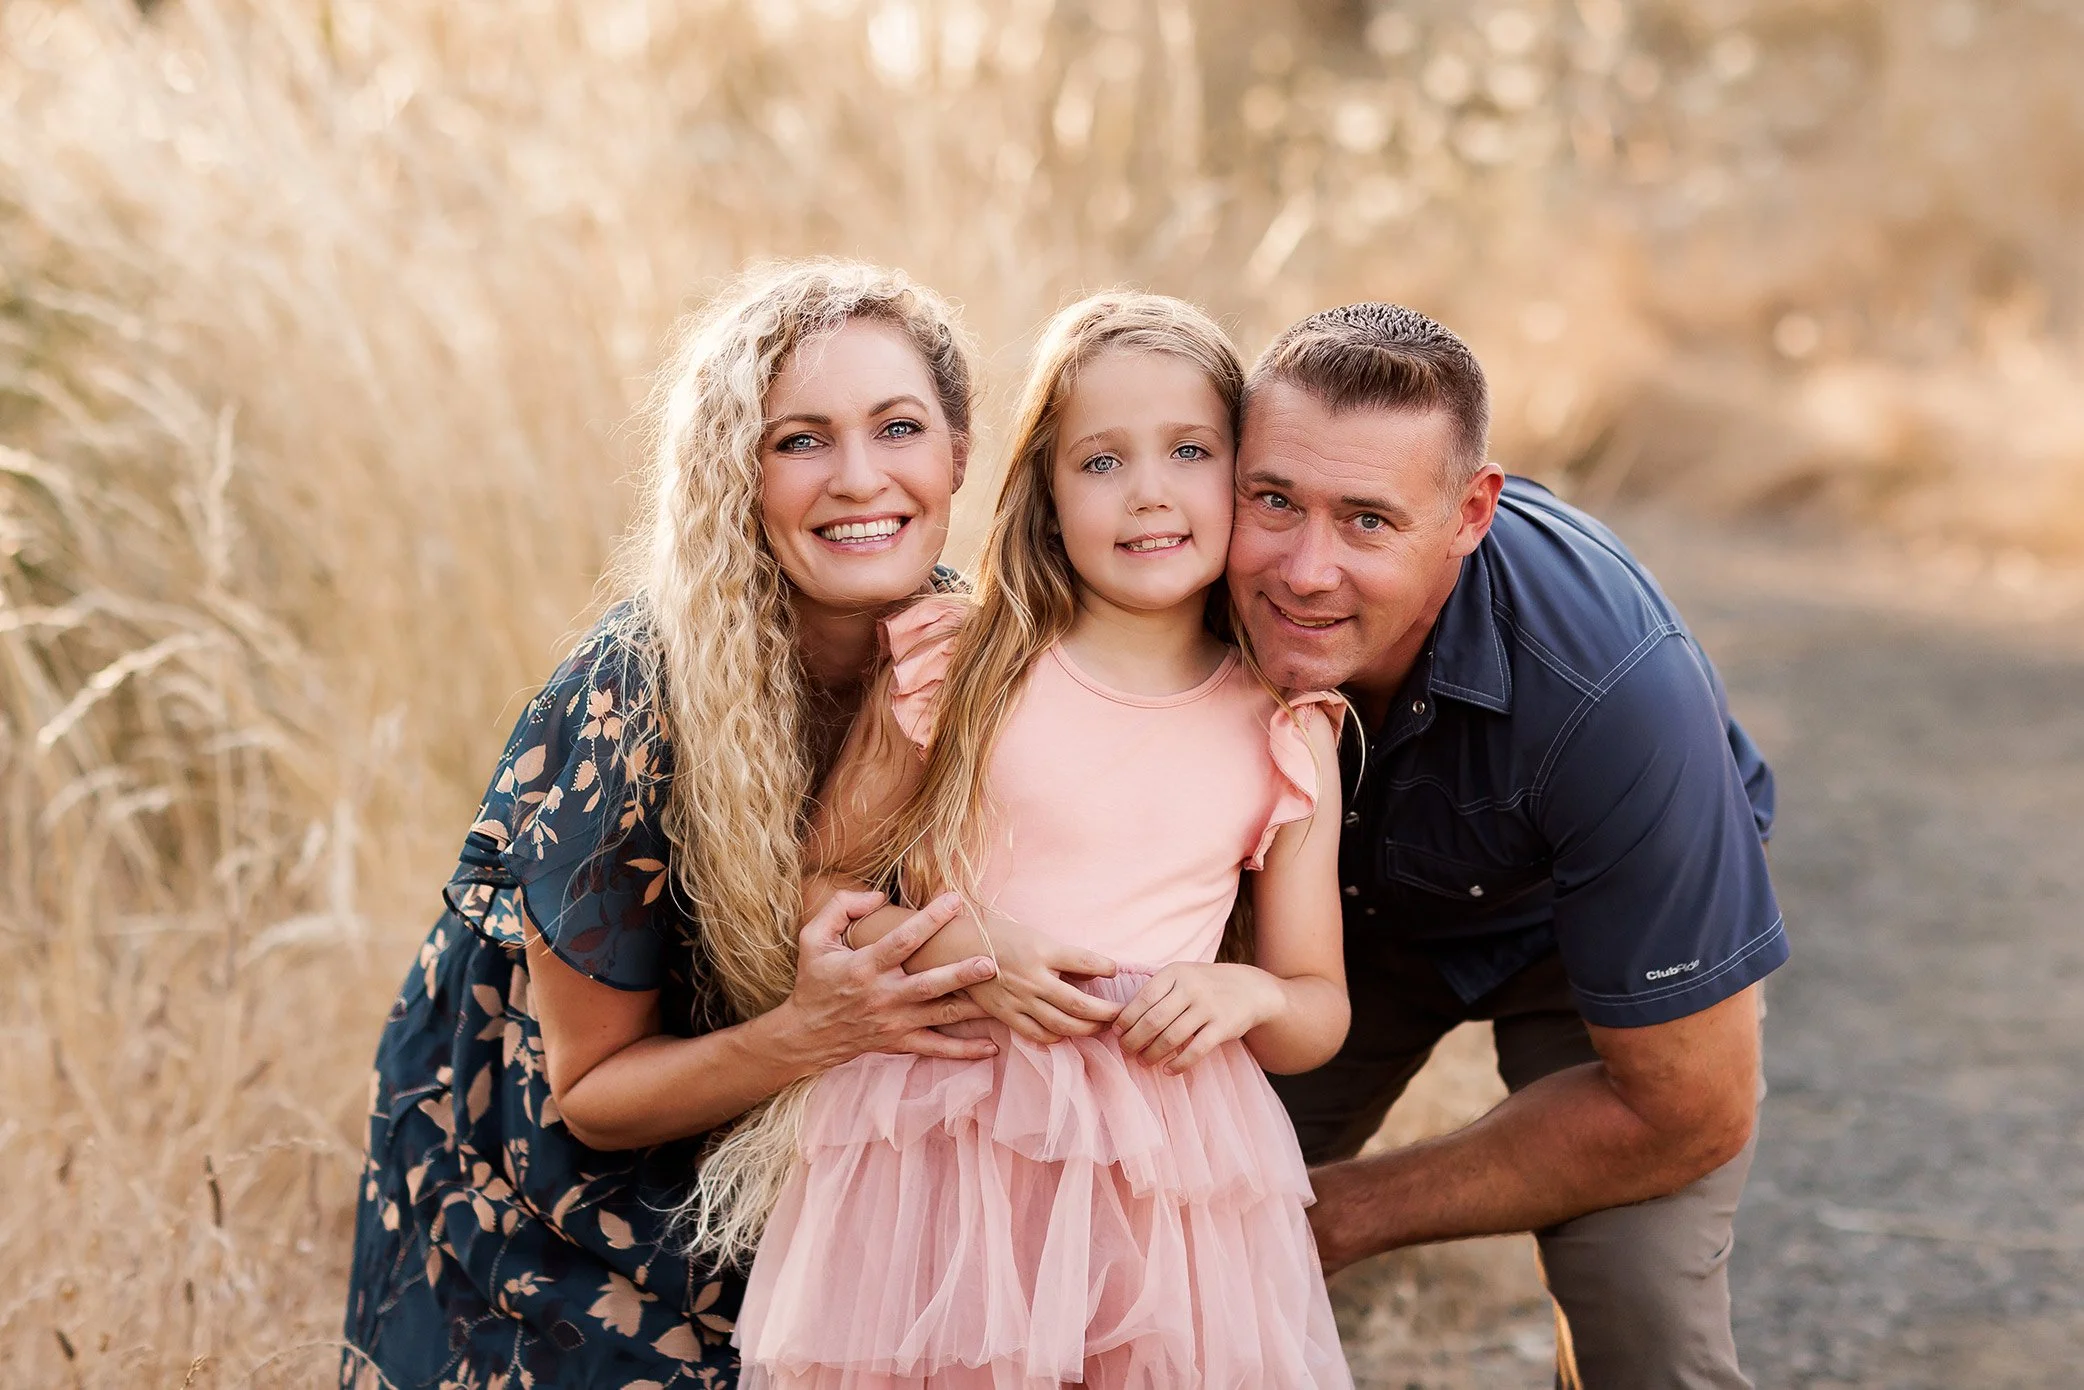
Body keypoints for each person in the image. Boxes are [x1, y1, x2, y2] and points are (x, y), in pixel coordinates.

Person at [340, 261, 1011, 1389]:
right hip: (548, 1197)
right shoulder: (632, 696)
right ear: (735, 475)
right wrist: (811, 1031)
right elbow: (592, 1097)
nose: (859, 480)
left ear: (956, 451)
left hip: (801, 1166)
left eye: (898, 428)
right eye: (798, 440)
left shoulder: (981, 652)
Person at [719, 293, 1356, 1387]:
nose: (1148, 491)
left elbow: (1315, 1006)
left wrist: (1247, 995)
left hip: (1167, 1167)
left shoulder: (1286, 729)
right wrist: (956, 935)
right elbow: (820, 882)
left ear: (1244, 483)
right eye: (1099, 462)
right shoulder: (957, 662)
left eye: (1190, 451)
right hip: (943, 1133)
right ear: (1044, 492)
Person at [1229, 302, 1786, 1389]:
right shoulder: (1179, 562)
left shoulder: (1618, 693)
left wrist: (1342, 1214)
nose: (1301, 570)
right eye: (1274, 500)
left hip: (1574, 942)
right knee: (1150, 1226)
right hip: (1319, 937)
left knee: (1643, 1327)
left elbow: (1689, 1110)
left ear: (1470, 511)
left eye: (1367, 522)